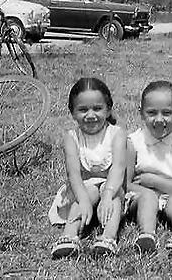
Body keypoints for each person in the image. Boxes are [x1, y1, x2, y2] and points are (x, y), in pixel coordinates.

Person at [48, 77, 127, 258]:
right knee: (89, 191)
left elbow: (118, 169)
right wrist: (83, 200)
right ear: (73, 113)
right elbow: (73, 174)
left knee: (114, 197)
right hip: (82, 190)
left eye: (97, 108)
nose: (90, 115)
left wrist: (107, 194)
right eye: (83, 110)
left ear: (108, 110)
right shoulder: (71, 137)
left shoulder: (117, 134)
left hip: (111, 187)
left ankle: (108, 237)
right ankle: (69, 234)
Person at [125, 81, 172, 256]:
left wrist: (154, 181)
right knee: (148, 197)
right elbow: (125, 184)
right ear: (141, 113)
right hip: (141, 197)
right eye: (151, 113)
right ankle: (147, 235)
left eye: (167, 113)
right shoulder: (133, 142)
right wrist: (147, 192)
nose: (159, 119)